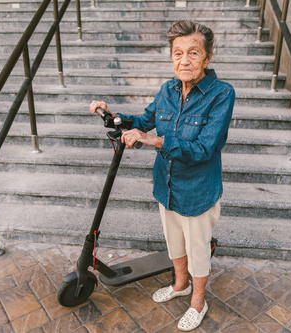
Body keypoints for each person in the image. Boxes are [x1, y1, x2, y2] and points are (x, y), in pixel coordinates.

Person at [90, 19, 235, 331]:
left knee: (198, 251)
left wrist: (153, 140)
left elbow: (204, 149)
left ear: (207, 58)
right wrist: (113, 115)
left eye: (193, 53)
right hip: (166, 184)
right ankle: (180, 284)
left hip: (197, 190)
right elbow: (143, 119)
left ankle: (198, 301)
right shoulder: (167, 90)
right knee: (174, 244)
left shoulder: (221, 94)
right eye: (178, 53)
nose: (184, 60)